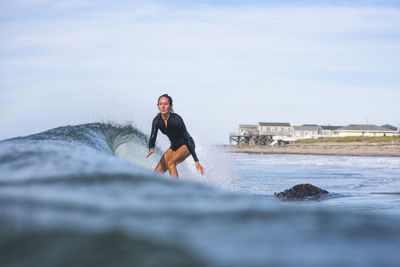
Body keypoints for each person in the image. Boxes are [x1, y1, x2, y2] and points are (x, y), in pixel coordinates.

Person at [146, 94, 205, 178]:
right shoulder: (156, 121)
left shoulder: (177, 120)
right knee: (156, 173)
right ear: (158, 106)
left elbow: (187, 139)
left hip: (186, 145)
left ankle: (176, 190)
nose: (163, 106)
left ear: (170, 106)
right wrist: (151, 148)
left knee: (171, 162)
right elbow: (153, 137)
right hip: (174, 146)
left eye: (166, 104)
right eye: (160, 104)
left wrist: (196, 160)